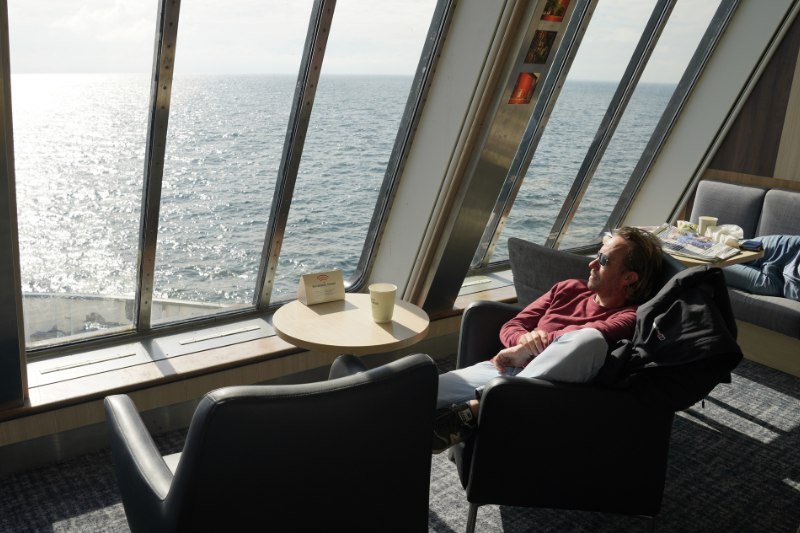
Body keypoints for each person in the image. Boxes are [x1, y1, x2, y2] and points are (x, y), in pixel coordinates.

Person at [432, 226, 664, 453]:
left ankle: (482, 405)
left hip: (549, 389)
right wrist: (523, 343)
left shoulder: (630, 316)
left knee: (590, 340)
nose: (592, 264)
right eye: (597, 255)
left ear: (629, 278)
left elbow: (581, 339)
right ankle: (480, 406)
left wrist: (527, 350)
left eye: (604, 261)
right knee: (425, 390)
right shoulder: (568, 288)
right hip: (507, 370)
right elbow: (513, 324)